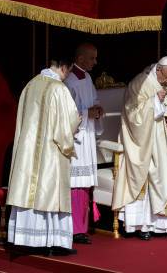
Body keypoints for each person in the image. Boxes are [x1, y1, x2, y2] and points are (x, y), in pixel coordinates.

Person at [6, 57, 81, 255]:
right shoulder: (59, 89)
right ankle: (51, 241)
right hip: (50, 154)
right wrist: (77, 122)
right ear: (64, 67)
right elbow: (65, 127)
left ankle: (25, 239)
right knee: (48, 192)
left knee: (28, 192)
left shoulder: (30, 85)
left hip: (27, 152)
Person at [112, 57, 167, 240]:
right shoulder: (140, 83)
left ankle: (164, 225)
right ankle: (143, 225)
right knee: (147, 176)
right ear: (159, 71)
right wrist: (153, 101)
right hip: (146, 141)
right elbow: (131, 114)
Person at [64, 43, 104, 245]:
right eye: (92, 58)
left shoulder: (87, 78)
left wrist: (97, 109)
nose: (95, 62)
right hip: (76, 140)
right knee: (76, 185)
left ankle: (82, 226)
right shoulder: (69, 81)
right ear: (80, 59)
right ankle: (73, 229)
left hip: (87, 137)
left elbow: (93, 99)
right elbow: (67, 115)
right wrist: (89, 113)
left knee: (85, 184)